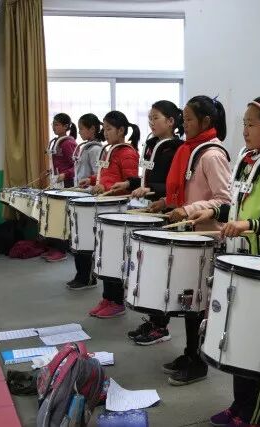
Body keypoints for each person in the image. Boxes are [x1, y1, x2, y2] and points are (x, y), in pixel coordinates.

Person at [190, 96, 260, 427]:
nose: (245, 130)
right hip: (241, 263)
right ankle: (240, 406)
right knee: (238, 339)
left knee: (259, 344)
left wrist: (249, 225)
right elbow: (237, 208)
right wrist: (212, 211)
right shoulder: (248, 161)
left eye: (251, 124)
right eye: (243, 123)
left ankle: (257, 415)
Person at [148, 95, 231, 386]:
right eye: (183, 119)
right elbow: (189, 191)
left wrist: (188, 209)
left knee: (198, 304)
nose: (184, 124)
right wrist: (166, 202)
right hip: (191, 237)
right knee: (188, 301)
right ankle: (190, 353)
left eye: (189, 119)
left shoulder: (212, 154)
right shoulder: (190, 149)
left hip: (208, 237)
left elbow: (224, 200)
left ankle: (198, 363)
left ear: (206, 121)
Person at [119, 101, 184, 345]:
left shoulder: (176, 148)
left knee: (161, 271)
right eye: (150, 118)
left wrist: (152, 190)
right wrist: (131, 184)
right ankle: (154, 321)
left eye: (156, 117)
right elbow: (146, 176)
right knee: (148, 269)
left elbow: (174, 184)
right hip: (150, 209)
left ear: (171, 121)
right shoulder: (151, 145)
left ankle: (161, 326)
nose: (151, 122)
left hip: (167, 211)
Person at [77, 112, 140, 322]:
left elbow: (131, 183)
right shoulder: (107, 149)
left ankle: (117, 302)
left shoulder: (127, 153)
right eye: (104, 128)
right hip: (105, 209)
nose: (105, 132)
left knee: (115, 257)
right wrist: (92, 180)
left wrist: (106, 187)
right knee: (104, 256)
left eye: (109, 129)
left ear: (121, 131)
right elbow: (105, 175)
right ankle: (107, 298)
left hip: (118, 210)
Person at [62, 114, 104, 280]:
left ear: (92, 129)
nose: (79, 132)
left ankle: (86, 277)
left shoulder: (95, 149)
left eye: (82, 129)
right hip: (80, 198)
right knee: (77, 239)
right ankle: (81, 275)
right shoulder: (86, 147)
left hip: (89, 200)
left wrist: (89, 187)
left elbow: (98, 175)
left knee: (85, 240)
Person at [47, 113, 77, 188]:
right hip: (58, 180)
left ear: (65, 126)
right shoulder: (57, 142)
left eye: (56, 125)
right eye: (53, 124)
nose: (53, 127)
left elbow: (77, 165)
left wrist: (65, 174)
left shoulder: (68, 143)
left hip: (67, 181)